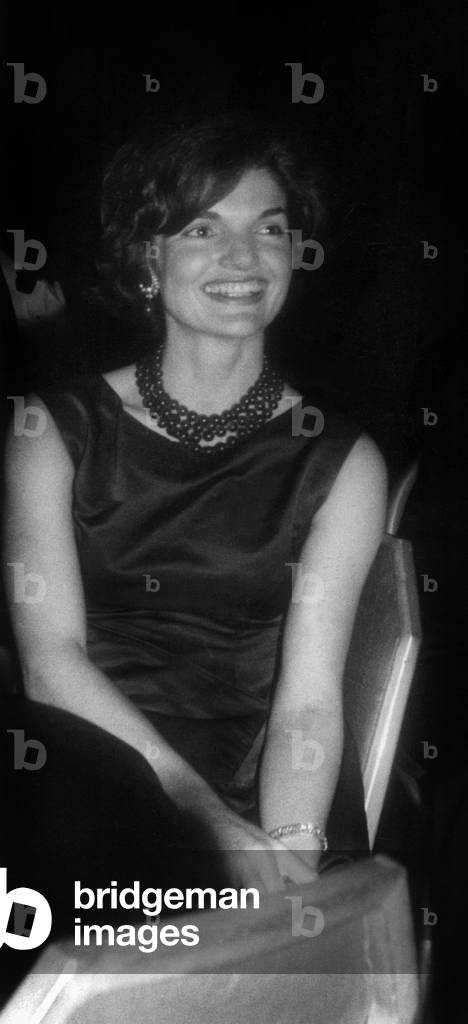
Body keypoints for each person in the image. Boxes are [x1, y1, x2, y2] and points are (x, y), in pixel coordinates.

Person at [2, 114, 387, 903]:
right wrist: (192, 805)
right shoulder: (52, 428)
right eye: (203, 228)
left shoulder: (339, 458)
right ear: (148, 254)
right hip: (85, 761)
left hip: (269, 777)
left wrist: (292, 856)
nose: (244, 258)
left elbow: (310, 701)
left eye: (270, 229)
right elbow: (51, 662)